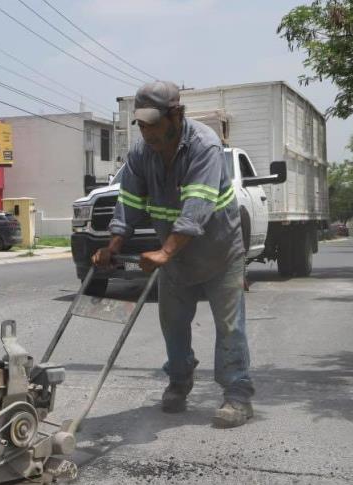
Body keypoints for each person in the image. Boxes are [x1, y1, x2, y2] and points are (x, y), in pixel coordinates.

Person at [92, 80, 254, 428]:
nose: (147, 131)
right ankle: (179, 383)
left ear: (176, 115)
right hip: (177, 258)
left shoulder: (204, 146)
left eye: (154, 123)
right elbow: (130, 203)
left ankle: (237, 395)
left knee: (230, 327)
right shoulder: (140, 154)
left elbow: (196, 207)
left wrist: (163, 253)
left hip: (219, 254)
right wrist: (113, 246)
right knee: (173, 325)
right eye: (142, 124)